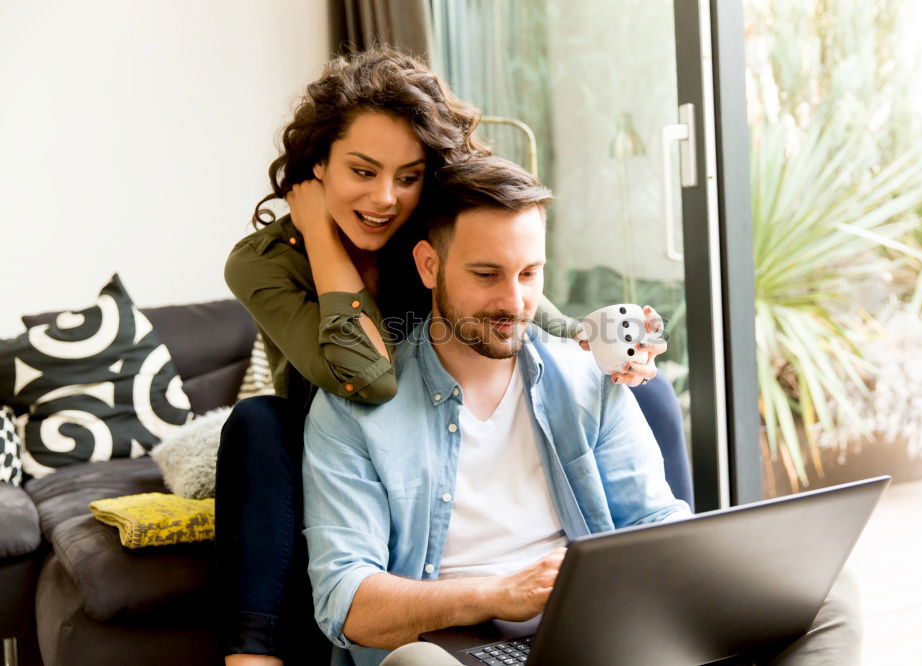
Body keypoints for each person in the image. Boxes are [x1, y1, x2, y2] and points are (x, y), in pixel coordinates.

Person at [302, 157, 863, 666]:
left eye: (529, 274)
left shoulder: (585, 376)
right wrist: (498, 594)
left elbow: (652, 523)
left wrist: (720, 564)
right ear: (429, 266)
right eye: (485, 274)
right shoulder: (353, 409)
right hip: (457, 651)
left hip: (602, 636)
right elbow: (344, 600)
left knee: (827, 593)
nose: (514, 301)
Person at [217, 47, 670, 666]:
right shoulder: (265, 261)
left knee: (644, 390)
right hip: (343, 409)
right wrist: (322, 238)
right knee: (257, 425)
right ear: (318, 166)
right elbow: (368, 381)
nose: (384, 198)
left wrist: (611, 345)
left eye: (407, 176)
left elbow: (535, 316)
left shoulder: (427, 229)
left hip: (424, 391)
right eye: (362, 171)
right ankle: (253, 654)